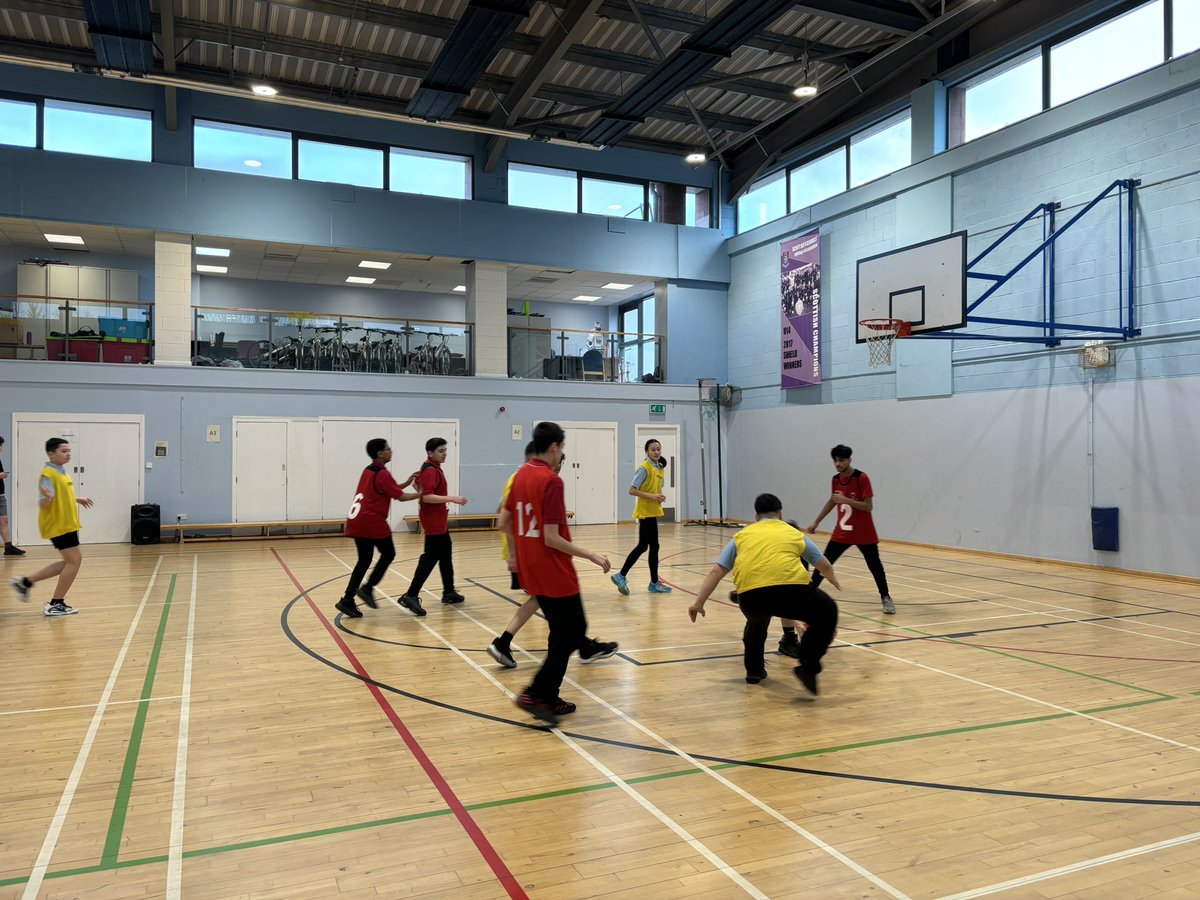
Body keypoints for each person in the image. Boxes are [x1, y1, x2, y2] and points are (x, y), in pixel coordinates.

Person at [498, 421, 618, 724]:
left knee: (562, 634)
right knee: (574, 630)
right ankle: (535, 692)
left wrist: (516, 555)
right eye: (562, 449)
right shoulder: (550, 480)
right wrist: (590, 554)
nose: (561, 454)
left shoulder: (521, 474)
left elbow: (505, 521)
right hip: (554, 570)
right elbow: (551, 537)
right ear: (554, 447)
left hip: (531, 569)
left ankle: (548, 698)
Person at [688, 493, 840, 695]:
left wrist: (698, 602)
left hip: (751, 596)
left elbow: (717, 571)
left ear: (756, 517)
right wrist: (831, 577)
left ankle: (754, 671)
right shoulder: (792, 531)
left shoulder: (742, 536)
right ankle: (808, 664)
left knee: (756, 624)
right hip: (791, 592)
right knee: (828, 611)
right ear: (780, 514)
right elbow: (823, 563)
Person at [488, 444, 614, 670]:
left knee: (541, 600)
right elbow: (504, 518)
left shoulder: (524, 477)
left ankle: (505, 643)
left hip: (530, 551)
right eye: (558, 461)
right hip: (529, 553)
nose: (557, 467)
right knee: (552, 604)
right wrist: (514, 555)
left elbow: (504, 510)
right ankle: (578, 649)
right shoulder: (525, 478)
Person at [334, 438, 421, 619]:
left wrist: (405, 483)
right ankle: (367, 589)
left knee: (364, 560)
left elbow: (389, 489)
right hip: (371, 521)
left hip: (357, 520)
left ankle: (347, 599)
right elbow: (401, 497)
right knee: (388, 554)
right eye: (388, 449)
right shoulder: (382, 474)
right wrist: (422, 493)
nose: (391, 451)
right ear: (380, 453)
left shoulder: (369, 470)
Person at [807, 444, 896, 615]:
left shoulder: (861, 478)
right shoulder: (835, 479)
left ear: (849, 460)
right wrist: (816, 522)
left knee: (875, 566)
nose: (838, 464)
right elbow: (833, 501)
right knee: (823, 563)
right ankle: (808, 596)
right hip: (842, 533)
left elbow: (868, 506)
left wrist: (846, 499)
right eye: (835, 460)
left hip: (864, 533)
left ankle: (886, 597)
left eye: (842, 460)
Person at [9, 437, 94, 616]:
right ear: (51, 453)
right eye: (64, 451)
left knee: (69, 562)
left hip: (67, 523)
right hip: (58, 524)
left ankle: (24, 583)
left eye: (69, 451)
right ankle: (56, 604)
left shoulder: (61, 471)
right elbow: (43, 503)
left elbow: (60, 495)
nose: (68, 454)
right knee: (75, 560)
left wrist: (78, 499)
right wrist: (46, 499)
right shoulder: (48, 474)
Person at [398, 437, 468, 615]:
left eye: (445, 450)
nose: (444, 454)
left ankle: (449, 591)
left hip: (438, 518)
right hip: (433, 519)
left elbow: (419, 487)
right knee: (430, 557)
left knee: (446, 553)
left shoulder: (431, 468)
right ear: (430, 453)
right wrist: (453, 498)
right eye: (440, 451)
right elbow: (427, 496)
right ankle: (411, 595)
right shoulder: (431, 470)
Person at [611, 439, 672, 596]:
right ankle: (624, 576)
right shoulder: (644, 468)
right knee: (645, 546)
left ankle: (651, 582)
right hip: (645, 513)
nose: (657, 452)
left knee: (650, 546)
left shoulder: (658, 467)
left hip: (652, 511)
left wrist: (658, 497)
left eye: (658, 449)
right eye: (653, 450)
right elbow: (631, 490)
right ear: (647, 452)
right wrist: (653, 496)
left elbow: (654, 488)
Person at [0, 435, 25, 556]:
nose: (1, 448)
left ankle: (8, 547)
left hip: (0, 495)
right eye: (0, 445)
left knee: (4, 520)